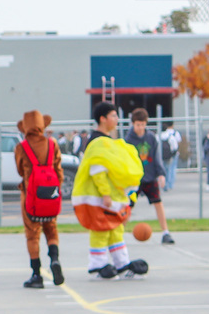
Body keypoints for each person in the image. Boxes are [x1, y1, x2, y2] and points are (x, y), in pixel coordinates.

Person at [72, 102, 148, 279]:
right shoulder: (96, 142)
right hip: (100, 198)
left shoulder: (108, 142)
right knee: (101, 230)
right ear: (102, 119)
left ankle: (121, 263)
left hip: (114, 197)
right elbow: (97, 170)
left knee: (115, 229)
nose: (117, 119)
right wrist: (105, 193)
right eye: (113, 116)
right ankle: (98, 265)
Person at [14, 110, 65, 288]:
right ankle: (55, 259)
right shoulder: (52, 144)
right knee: (51, 229)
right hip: (51, 193)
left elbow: (20, 170)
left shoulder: (22, 147)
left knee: (32, 234)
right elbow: (59, 169)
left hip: (31, 196)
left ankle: (37, 274)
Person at [125, 108, 174, 244]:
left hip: (150, 176)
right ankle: (118, 235)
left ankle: (165, 232)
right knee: (128, 206)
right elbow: (126, 160)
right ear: (133, 124)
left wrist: (161, 174)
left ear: (146, 123)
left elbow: (157, 157)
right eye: (137, 124)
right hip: (134, 179)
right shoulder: (128, 140)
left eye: (142, 124)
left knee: (158, 202)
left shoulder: (151, 137)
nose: (140, 127)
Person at [160, 124, 181, 190]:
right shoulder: (170, 136)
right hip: (169, 156)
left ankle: (162, 185)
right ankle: (168, 184)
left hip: (160, 156)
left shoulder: (158, 136)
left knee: (161, 170)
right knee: (169, 170)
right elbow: (175, 146)